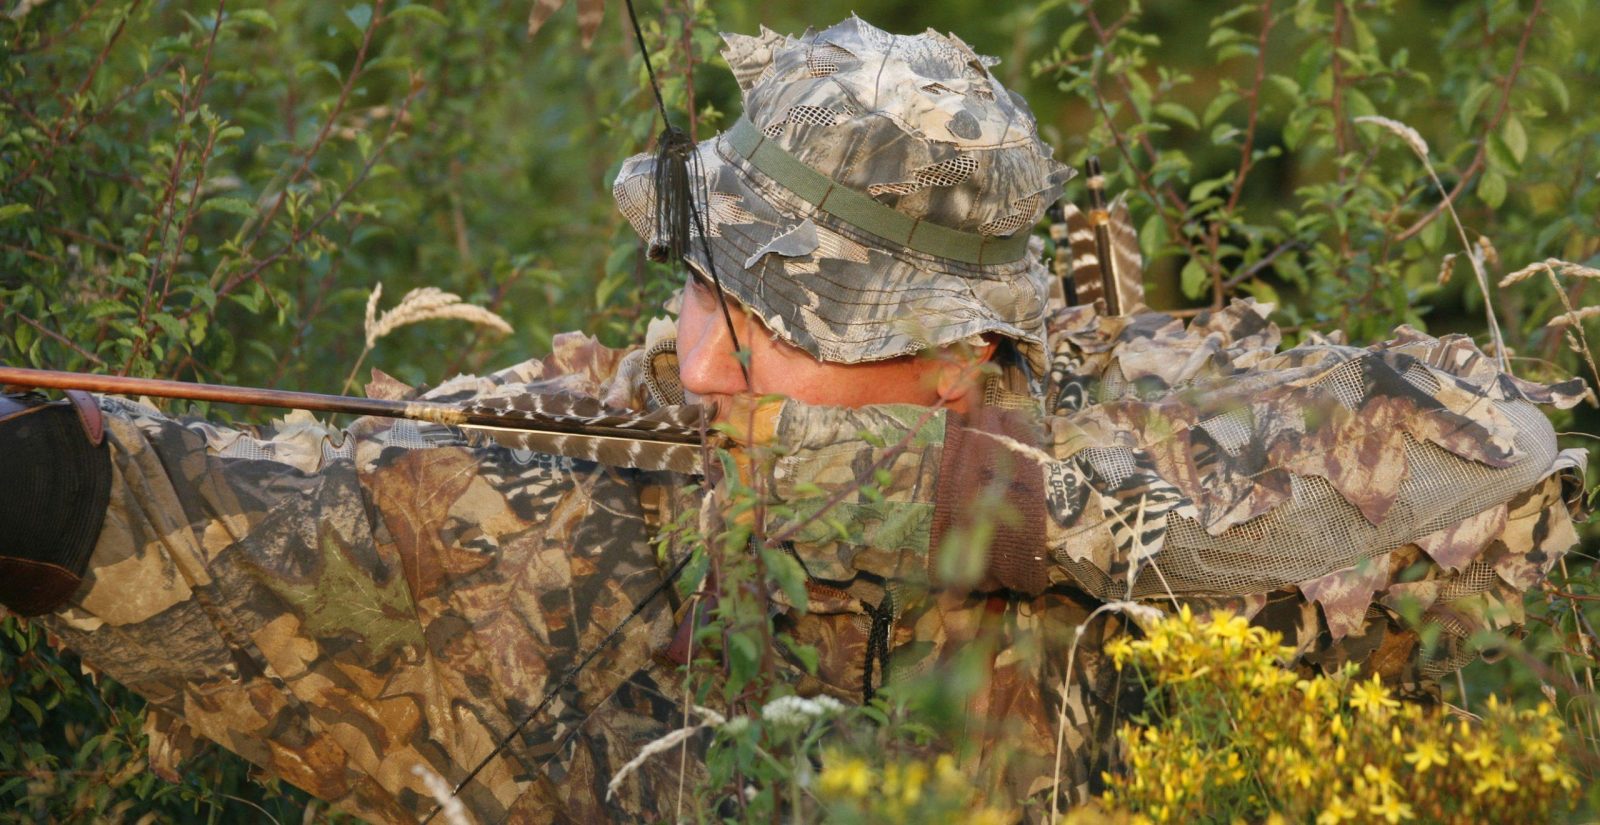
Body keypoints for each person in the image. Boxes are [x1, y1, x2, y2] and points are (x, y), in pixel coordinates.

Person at [0, 16, 1586, 824]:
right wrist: (49, 484)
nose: (695, 361)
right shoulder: (567, 466)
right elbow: (222, 512)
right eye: (698, 289)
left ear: (959, 359)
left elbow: (1486, 435)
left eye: (772, 325)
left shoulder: (1095, 421)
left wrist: (980, 509)